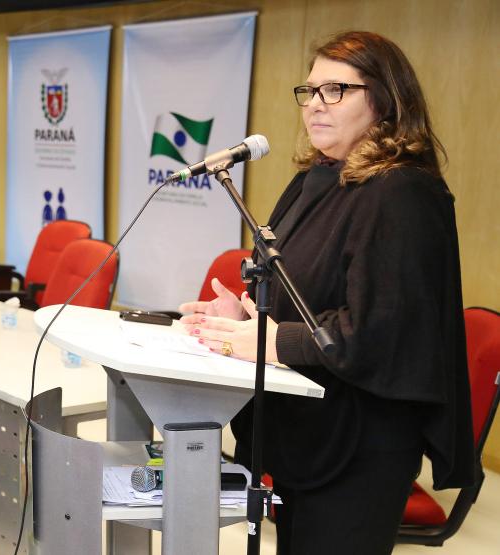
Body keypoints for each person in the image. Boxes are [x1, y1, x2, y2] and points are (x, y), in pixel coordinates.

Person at [179, 31, 473, 554]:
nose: (315, 105)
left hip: (361, 445)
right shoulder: (316, 178)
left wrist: (272, 343)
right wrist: (244, 314)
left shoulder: (403, 192)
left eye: (335, 91)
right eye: (310, 91)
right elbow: (302, 294)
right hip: (304, 428)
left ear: (383, 99)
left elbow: (380, 332)